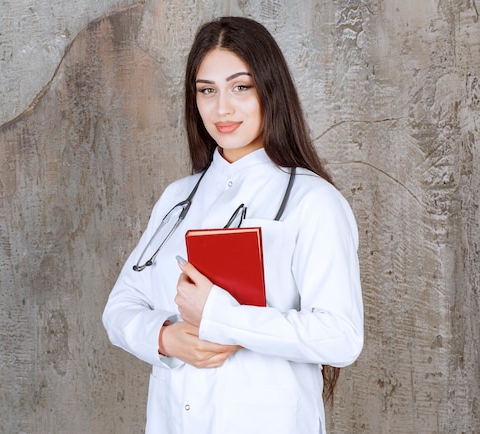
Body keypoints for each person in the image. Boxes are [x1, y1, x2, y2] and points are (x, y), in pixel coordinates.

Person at [102, 16, 363, 434]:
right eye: (207, 91)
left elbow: (341, 336)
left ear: (270, 91)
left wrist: (220, 316)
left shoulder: (313, 202)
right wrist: (165, 339)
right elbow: (118, 309)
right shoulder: (177, 199)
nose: (222, 108)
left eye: (240, 87)